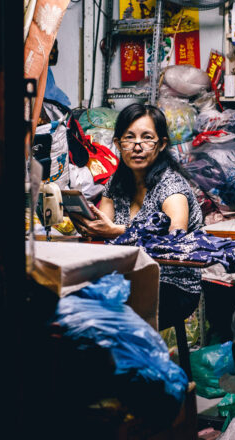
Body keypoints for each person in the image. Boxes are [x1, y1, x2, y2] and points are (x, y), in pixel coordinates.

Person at [70, 103, 203, 329]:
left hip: (172, 285)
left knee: (100, 315)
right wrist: (90, 226)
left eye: (147, 138)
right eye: (129, 138)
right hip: (126, 278)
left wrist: (117, 231)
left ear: (161, 145)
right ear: (117, 144)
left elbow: (175, 237)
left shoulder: (171, 186)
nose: (137, 146)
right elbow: (105, 228)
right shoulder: (116, 183)